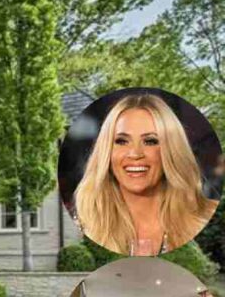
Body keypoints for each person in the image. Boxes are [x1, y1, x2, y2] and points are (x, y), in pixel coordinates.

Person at [74, 93, 217, 255]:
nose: (135, 154)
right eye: (121, 141)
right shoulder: (86, 223)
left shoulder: (204, 217)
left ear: (172, 151)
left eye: (150, 141)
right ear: (106, 151)